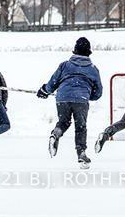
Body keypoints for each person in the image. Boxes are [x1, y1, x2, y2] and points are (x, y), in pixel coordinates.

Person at [37, 36, 103, 167]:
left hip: (63, 98)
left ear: (75, 50)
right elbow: (98, 93)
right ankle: (81, 154)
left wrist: (44, 90)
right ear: (88, 51)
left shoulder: (65, 65)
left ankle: (55, 134)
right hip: (81, 100)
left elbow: (52, 83)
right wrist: (87, 94)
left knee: (63, 122)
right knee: (80, 127)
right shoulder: (93, 69)